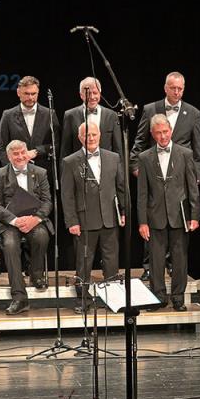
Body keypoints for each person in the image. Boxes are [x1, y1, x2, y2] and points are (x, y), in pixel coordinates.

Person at [60, 122, 127, 310]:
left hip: (109, 217)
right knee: (83, 262)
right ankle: (83, 300)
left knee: (111, 262)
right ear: (80, 137)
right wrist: (72, 221)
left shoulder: (113, 157)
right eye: (86, 135)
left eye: (94, 134)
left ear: (100, 135)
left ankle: (113, 300)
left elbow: (121, 188)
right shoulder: (70, 161)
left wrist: (123, 212)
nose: (90, 138)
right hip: (84, 221)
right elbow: (67, 195)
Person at [136, 115, 200, 311]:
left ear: (171, 131)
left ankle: (178, 298)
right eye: (158, 133)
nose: (163, 136)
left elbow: (192, 187)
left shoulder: (185, 154)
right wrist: (142, 221)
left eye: (165, 132)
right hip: (155, 216)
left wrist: (194, 216)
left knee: (180, 259)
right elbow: (142, 193)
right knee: (156, 260)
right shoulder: (144, 157)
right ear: (152, 134)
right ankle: (158, 297)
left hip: (179, 215)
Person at [0, 139, 53, 315]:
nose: (20, 156)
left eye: (23, 152)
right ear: (9, 157)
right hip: (9, 223)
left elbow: (47, 201)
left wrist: (36, 219)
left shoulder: (40, 172)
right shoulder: (0, 174)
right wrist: (15, 220)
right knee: (10, 244)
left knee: (41, 236)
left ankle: (36, 274)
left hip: (34, 220)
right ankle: (19, 296)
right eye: (15, 154)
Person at [132, 71, 200, 179]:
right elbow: (140, 140)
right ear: (165, 88)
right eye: (173, 88)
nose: (176, 92)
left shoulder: (193, 113)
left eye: (180, 89)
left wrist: (198, 175)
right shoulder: (150, 110)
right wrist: (135, 166)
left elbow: (198, 147)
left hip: (182, 172)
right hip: (155, 170)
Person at [0, 75, 54, 172]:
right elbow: (1, 148)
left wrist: (37, 151)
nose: (30, 97)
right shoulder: (8, 115)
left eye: (33, 94)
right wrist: (12, 169)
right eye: (26, 93)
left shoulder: (50, 114)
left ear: (38, 93)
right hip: (16, 172)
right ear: (18, 92)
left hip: (44, 171)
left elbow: (56, 144)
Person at [59, 77, 123, 159]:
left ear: (100, 93)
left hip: (106, 165)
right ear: (81, 95)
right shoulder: (70, 116)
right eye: (88, 93)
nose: (92, 97)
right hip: (78, 164)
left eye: (95, 93)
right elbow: (65, 150)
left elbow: (118, 149)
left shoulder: (112, 115)